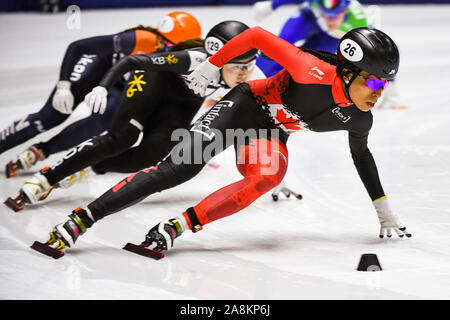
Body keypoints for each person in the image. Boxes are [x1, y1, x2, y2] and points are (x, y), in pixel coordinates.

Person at [30, 26, 412, 257]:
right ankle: (82, 219)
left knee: (268, 176)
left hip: (269, 132)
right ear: (347, 72)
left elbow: (361, 155)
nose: (380, 92)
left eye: (386, 85)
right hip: (243, 105)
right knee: (177, 169)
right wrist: (214, 64)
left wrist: (383, 209)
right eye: (375, 82)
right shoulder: (309, 68)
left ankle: (176, 226)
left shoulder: (360, 116)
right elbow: (258, 36)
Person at [6, 21, 264, 212]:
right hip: (153, 79)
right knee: (122, 138)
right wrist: (102, 87)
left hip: (182, 102)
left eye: (249, 66)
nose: (244, 74)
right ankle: (47, 177)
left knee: (152, 154)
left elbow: (259, 115)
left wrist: (261, 167)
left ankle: (92, 166)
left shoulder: (251, 73)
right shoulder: (194, 60)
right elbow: (132, 62)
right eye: (238, 67)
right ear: (216, 61)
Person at [1, 11, 202, 177]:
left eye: (176, 49)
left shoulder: (179, 58)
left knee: (107, 119)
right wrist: (63, 85)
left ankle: (43, 150)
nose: (171, 53)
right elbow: (78, 47)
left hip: (118, 83)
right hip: (97, 71)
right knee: (51, 117)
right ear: (159, 36)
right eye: (168, 46)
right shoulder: (140, 38)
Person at [252, 0, 405, 109]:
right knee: (282, 45)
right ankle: (249, 75)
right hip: (310, 18)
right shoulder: (314, 6)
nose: (329, 19)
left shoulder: (359, 20)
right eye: (326, 15)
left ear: (345, 11)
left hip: (333, 36)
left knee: (307, 58)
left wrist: (391, 92)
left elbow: (383, 53)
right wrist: (270, 5)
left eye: (334, 16)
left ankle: (271, 84)